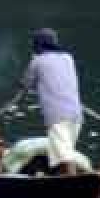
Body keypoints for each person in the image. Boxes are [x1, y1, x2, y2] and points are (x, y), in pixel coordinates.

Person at [22, 28, 83, 175]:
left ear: (38, 46)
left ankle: (72, 184)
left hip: (58, 118)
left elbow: (26, 83)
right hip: (76, 115)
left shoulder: (37, 62)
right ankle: (66, 179)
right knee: (65, 152)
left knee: (64, 157)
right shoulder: (68, 58)